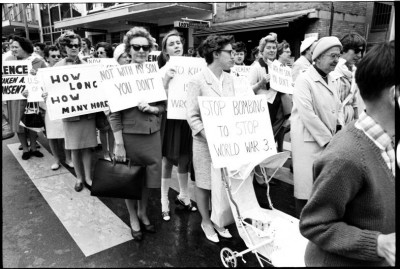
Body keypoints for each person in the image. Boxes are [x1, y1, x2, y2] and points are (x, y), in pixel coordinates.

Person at [299, 40, 396, 267]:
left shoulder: (388, 140)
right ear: (394, 94)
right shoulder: (346, 157)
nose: (335, 59)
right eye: (331, 54)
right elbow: (314, 224)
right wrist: (378, 244)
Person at [109, 27, 165, 241]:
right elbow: (113, 115)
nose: (141, 50)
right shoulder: (118, 75)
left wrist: (152, 109)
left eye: (145, 47)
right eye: (136, 47)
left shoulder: (154, 74)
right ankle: (133, 217)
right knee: (129, 180)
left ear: (150, 49)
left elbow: (162, 107)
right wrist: (119, 144)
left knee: (148, 179)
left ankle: (143, 212)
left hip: (152, 135)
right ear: (128, 49)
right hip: (129, 137)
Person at [186, 34, 236, 243]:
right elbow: (192, 116)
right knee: (205, 183)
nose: (234, 56)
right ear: (216, 54)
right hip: (205, 144)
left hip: (227, 143)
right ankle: (206, 221)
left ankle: (218, 219)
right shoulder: (197, 81)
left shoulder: (231, 79)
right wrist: (211, 136)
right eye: (229, 52)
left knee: (223, 183)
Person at [290, 36, 342, 217]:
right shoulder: (304, 80)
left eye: (338, 56)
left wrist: (340, 129)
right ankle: (301, 228)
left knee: (321, 188)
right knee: (305, 188)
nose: (336, 60)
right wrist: (329, 141)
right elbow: (308, 115)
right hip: (309, 141)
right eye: (332, 56)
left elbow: (338, 107)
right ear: (318, 57)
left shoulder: (333, 78)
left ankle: (316, 227)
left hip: (328, 140)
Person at [157, 29, 198, 222]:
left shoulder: (194, 67)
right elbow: (157, 99)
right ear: (166, 51)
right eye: (171, 44)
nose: (177, 46)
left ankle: (184, 195)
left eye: (178, 42)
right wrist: (165, 82)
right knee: (167, 160)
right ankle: (164, 199)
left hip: (186, 120)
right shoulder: (162, 71)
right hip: (170, 119)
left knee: (184, 158)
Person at [54, 32, 97, 192]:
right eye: (70, 45)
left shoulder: (87, 64)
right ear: (64, 47)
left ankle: (88, 177)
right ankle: (79, 178)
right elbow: (51, 90)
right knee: (74, 148)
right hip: (70, 114)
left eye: (77, 45)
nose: (74, 48)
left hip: (87, 114)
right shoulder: (57, 67)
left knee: (87, 147)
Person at [24, 45, 73, 170]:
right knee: (52, 136)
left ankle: (68, 158)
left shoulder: (66, 69)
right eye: (53, 56)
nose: (56, 58)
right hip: (48, 109)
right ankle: (56, 159)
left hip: (65, 108)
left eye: (58, 56)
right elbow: (31, 89)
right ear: (47, 58)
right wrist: (28, 93)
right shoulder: (39, 74)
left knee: (65, 134)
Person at [247, 33, 286, 186]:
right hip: (261, 110)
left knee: (269, 144)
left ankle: (262, 172)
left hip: (276, 109)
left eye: (274, 48)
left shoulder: (277, 66)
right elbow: (247, 90)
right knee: (259, 144)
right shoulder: (256, 67)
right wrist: (260, 83)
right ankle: (257, 175)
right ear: (262, 51)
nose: (271, 50)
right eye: (268, 48)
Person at [6, 36, 47, 160]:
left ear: (24, 47)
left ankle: (34, 147)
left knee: (32, 122)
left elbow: (45, 79)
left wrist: (36, 76)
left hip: (32, 99)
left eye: (15, 47)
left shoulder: (38, 61)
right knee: (19, 125)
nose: (13, 49)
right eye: (11, 47)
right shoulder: (8, 61)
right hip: (15, 99)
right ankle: (25, 149)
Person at [331, 32, 366, 126]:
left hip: (349, 120)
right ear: (344, 49)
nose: (359, 56)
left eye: (361, 52)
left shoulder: (354, 72)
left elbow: (354, 101)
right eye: (356, 51)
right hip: (334, 120)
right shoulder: (332, 71)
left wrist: (356, 123)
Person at [93, 41, 115, 160]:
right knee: (103, 129)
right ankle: (105, 153)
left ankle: (112, 152)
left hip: (112, 101)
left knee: (112, 129)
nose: (99, 55)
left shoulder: (114, 65)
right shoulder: (92, 66)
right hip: (99, 102)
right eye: (98, 53)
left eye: (102, 52)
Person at [274, 40, 293, 152]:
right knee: (276, 127)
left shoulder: (288, 69)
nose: (289, 53)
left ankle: (280, 149)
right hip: (278, 104)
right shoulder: (275, 66)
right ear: (280, 53)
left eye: (289, 51)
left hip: (287, 103)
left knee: (283, 128)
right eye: (286, 51)